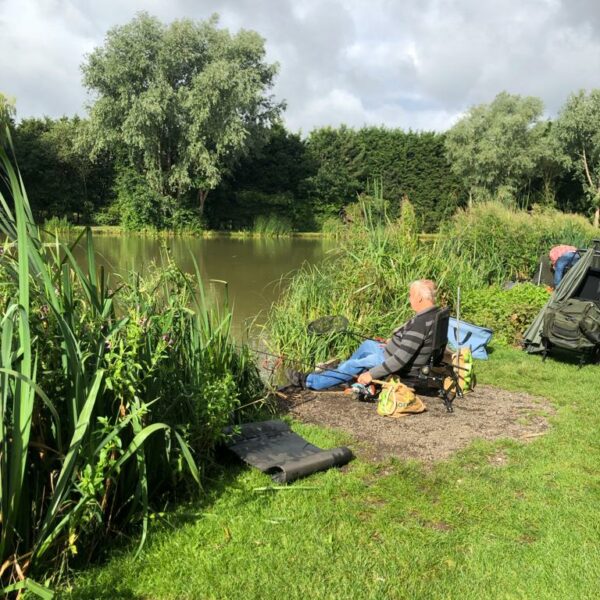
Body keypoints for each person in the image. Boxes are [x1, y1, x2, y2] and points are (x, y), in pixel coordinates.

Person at [303, 279, 441, 391]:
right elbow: (410, 344)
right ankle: (342, 374)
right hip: (391, 352)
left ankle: (310, 381)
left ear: (419, 298)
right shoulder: (433, 314)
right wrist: (391, 342)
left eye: (410, 295)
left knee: (352, 365)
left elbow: (400, 360)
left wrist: (371, 374)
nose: (409, 299)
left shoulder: (421, 324)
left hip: (394, 361)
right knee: (367, 345)